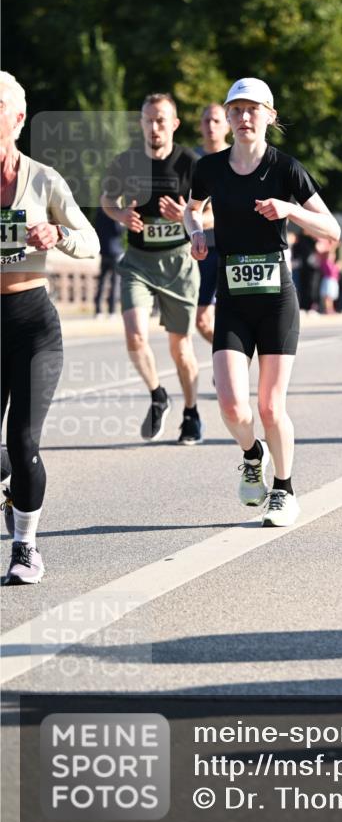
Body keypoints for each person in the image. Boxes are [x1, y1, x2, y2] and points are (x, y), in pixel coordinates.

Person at [184, 77, 340, 527]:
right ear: (228, 118)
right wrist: (195, 232)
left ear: (270, 116)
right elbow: (194, 209)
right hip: (232, 297)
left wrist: (290, 210)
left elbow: (332, 230)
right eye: (237, 110)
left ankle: (285, 490)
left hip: (276, 300)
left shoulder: (286, 169)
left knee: (271, 406)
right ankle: (252, 455)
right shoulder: (209, 169)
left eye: (254, 109)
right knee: (233, 406)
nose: (245, 117)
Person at [0, 71, 99, 584]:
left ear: (17, 118)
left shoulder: (42, 179)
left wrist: (57, 232)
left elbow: (91, 242)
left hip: (32, 321)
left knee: (23, 440)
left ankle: (25, 547)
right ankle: (7, 485)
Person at [101, 93, 202, 443]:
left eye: (161, 120)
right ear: (141, 123)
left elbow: (214, 214)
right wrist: (120, 215)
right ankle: (158, 394)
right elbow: (107, 199)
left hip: (178, 261)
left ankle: (191, 412)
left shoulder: (189, 163)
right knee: (135, 334)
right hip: (139, 261)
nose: (154, 127)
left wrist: (189, 216)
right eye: (148, 120)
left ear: (174, 124)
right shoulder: (126, 161)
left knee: (181, 348)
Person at [193, 103, 231, 343]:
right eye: (206, 120)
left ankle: (230, 363)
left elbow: (233, 209)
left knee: (225, 315)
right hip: (195, 249)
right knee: (201, 321)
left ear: (227, 126)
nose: (211, 126)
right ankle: (227, 359)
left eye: (217, 121)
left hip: (227, 248)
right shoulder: (190, 160)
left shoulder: (235, 159)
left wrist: (201, 219)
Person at [93, 207, 123, 318]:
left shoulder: (100, 211)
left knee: (101, 282)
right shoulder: (115, 212)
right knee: (115, 283)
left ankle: (98, 310)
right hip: (115, 252)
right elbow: (118, 231)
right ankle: (112, 311)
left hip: (104, 250)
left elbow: (97, 229)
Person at [319, 244, 340, 314]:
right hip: (329, 280)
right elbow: (331, 272)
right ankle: (328, 310)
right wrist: (337, 267)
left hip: (331, 280)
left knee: (330, 297)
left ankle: (331, 309)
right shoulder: (327, 262)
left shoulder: (329, 262)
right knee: (328, 297)